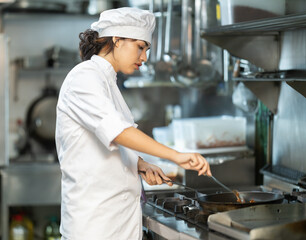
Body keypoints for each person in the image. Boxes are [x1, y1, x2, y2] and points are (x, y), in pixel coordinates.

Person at [55, 7, 212, 240]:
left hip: (116, 224)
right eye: (140, 47)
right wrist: (175, 155)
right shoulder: (84, 77)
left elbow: (101, 139)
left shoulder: (108, 82)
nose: (144, 58)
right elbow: (118, 132)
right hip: (95, 227)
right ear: (117, 40)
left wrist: (140, 164)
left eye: (146, 49)